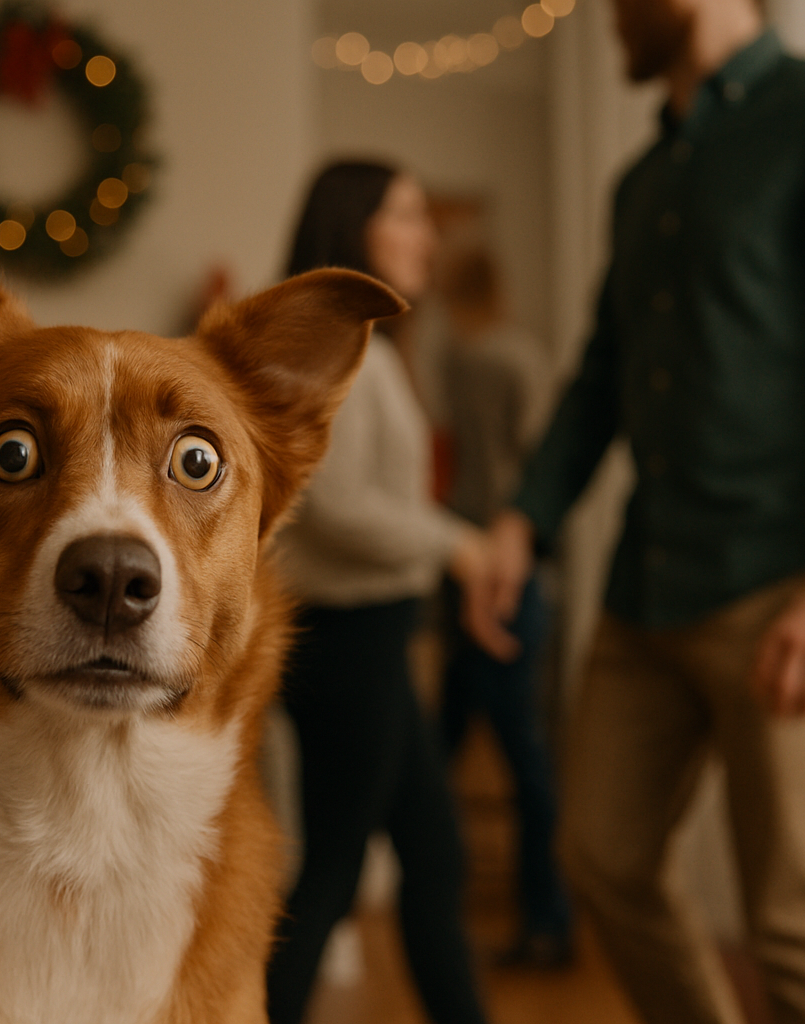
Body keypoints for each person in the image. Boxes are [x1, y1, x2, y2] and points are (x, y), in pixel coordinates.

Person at [467, 0, 805, 1020]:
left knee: (797, 918)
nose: (608, 21)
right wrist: (523, 518)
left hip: (787, 591)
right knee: (601, 856)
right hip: (647, 590)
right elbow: (601, 377)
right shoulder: (642, 183)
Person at [266, 161, 511, 1024]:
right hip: (345, 642)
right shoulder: (328, 350)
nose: (428, 236)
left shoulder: (372, 347)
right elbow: (330, 504)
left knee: (435, 857)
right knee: (331, 872)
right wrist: (459, 546)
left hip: (374, 638)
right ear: (353, 228)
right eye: (405, 215)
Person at [434, 247, 572, 968]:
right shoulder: (515, 358)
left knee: (477, 756)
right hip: (507, 565)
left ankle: (540, 920)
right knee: (512, 756)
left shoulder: (464, 361)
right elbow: (537, 467)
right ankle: (519, 920)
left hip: (477, 563)